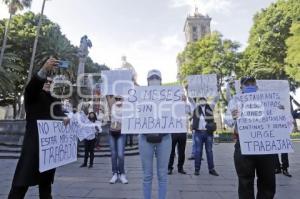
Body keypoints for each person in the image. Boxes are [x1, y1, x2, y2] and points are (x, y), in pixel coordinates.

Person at [8, 57, 69, 199]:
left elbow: (60, 114)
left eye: (50, 81)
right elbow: (32, 86)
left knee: (46, 187)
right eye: (45, 81)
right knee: (20, 185)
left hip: (49, 151)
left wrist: (66, 118)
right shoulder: (32, 96)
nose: (48, 83)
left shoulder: (54, 100)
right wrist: (45, 69)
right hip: (33, 147)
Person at [225, 76, 276, 199]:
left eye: (252, 84)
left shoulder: (268, 100)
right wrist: (232, 116)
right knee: (245, 182)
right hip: (244, 146)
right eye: (246, 84)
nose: (249, 86)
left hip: (265, 147)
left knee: (268, 181)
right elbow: (228, 121)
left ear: (257, 86)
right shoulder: (235, 101)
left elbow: (280, 118)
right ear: (241, 87)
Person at [139, 69, 172, 199]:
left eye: (156, 77)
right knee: (147, 175)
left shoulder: (169, 96)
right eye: (151, 78)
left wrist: (181, 102)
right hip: (145, 138)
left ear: (161, 81)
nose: (154, 80)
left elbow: (180, 113)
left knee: (162, 175)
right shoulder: (139, 97)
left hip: (164, 139)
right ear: (147, 82)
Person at [190, 94, 220, 176]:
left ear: (206, 101)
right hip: (198, 133)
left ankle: (211, 169)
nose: (202, 101)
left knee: (209, 151)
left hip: (208, 133)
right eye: (201, 100)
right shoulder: (195, 108)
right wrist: (189, 90)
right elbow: (190, 100)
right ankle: (197, 169)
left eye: (203, 99)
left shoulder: (210, 107)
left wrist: (217, 89)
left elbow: (216, 98)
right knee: (198, 151)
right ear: (199, 101)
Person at [107, 95, 128, 184]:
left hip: (121, 132)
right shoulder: (112, 105)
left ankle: (122, 173)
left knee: (120, 155)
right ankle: (115, 173)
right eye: (116, 98)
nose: (118, 100)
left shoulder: (126, 107)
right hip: (112, 131)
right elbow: (108, 96)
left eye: (120, 98)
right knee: (113, 154)